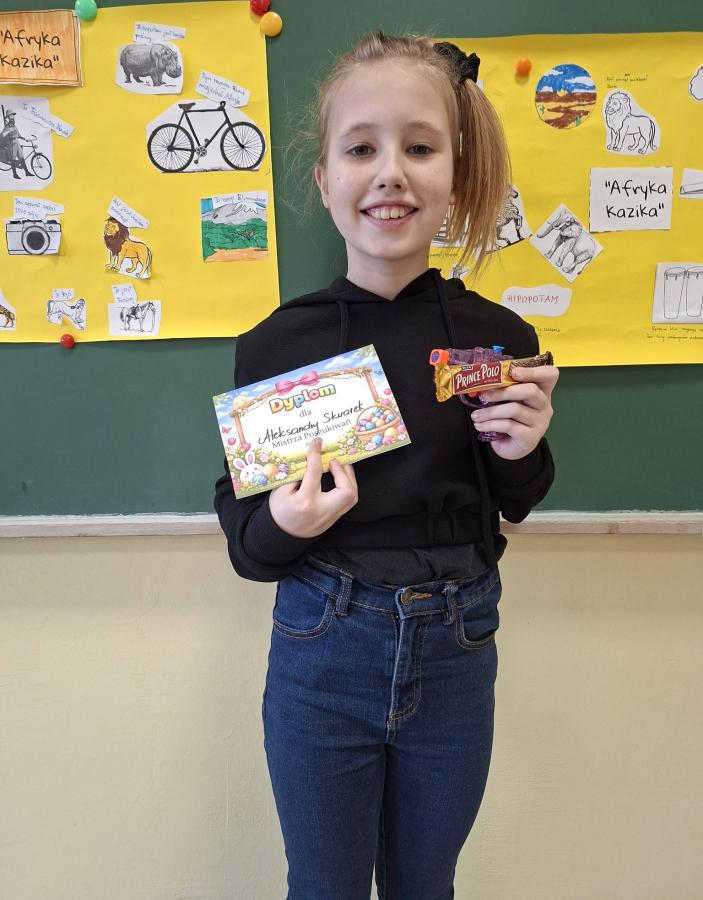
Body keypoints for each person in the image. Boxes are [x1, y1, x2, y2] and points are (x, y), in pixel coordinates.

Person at [214, 30, 558, 900]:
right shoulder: (278, 345)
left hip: (456, 641)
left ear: (456, 172)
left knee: (425, 884)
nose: (390, 174)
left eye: (420, 148)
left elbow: (516, 498)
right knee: (323, 886)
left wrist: (523, 449)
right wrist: (287, 520)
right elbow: (248, 544)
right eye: (360, 149)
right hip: (324, 642)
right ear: (324, 178)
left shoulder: (498, 339)